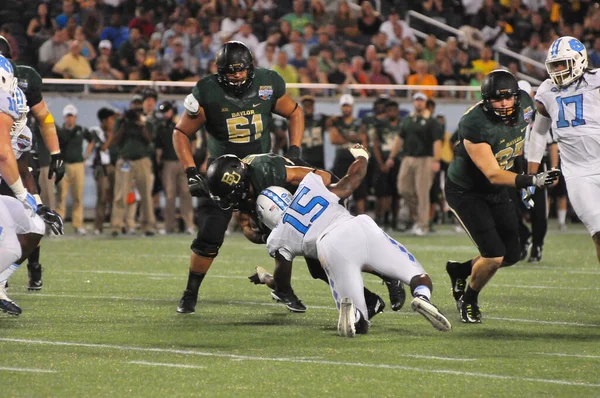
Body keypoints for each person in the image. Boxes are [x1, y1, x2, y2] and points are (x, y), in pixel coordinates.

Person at [256, 144, 451, 337]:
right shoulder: (311, 188)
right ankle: (422, 296)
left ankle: (355, 314)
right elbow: (351, 180)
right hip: (360, 227)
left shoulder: (278, 236)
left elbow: (283, 283)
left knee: (361, 323)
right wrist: (362, 157)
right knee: (418, 275)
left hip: (330, 245)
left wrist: (266, 279)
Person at [171, 41, 305, 314]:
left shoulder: (268, 83)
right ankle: (190, 292)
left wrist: (294, 151)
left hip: (259, 172)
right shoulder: (207, 91)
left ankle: (283, 289)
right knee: (209, 236)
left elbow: (294, 111)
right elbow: (180, 133)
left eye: (241, 70)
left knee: (280, 233)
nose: (236, 76)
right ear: (219, 71)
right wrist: (191, 171)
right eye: (230, 72)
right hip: (222, 174)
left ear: (250, 68)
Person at [444, 69, 560, 324]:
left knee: (511, 254)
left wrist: (533, 168)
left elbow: (539, 133)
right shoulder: (474, 123)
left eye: (508, 98)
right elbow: (493, 174)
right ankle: (469, 299)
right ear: (486, 100)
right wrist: (532, 179)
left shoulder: (527, 105)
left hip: (497, 189)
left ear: (518, 97)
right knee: (494, 254)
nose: (505, 103)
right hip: (467, 192)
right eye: (498, 99)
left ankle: (461, 270)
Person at [528, 36, 600, 264]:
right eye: (554, 65)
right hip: (578, 173)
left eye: (562, 63)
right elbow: (539, 133)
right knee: (598, 233)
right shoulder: (547, 90)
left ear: (578, 61)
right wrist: (531, 175)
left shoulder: (597, 80)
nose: (557, 70)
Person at [0, 36, 64, 291]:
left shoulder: (22, 128)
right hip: (8, 157)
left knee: (32, 224)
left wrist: (34, 202)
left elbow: (44, 118)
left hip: (14, 155)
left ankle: (18, 274)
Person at [386, 92, 443, 235]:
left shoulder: (432, 121)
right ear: (413, 102)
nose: (419, 103)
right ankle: (416, 218)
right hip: (407, 158)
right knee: (403, 189)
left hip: (425, 159)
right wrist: (392, 157)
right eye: (416, 100)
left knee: (422, 192)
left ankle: (423, 225)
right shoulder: (408, 120)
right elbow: (399, 139)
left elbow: (437, 141)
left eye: (421, 100)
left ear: (425, 103)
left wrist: (436, 160)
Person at [56, 104, 92, 235]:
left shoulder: (81, 130)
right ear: (65, 117)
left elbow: (92, 140)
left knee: (78, 197)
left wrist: (86, 155)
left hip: (78, 165)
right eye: (67, 116)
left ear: (75, 117)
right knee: (61, 196)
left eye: (71, 116)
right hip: (64, 166)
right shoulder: (60, 132)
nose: (70, 119)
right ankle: (58, 225)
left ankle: (78, 224)